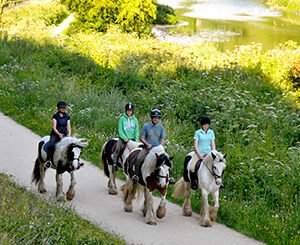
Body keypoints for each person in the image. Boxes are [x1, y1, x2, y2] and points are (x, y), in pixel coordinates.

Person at [132, 109, 175, 184]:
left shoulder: (161, 127)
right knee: (139, 158)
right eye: (154, 117)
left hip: (158, 148)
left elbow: (162, 138)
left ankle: (170, 177)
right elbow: (142, 138)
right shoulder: (146, 126)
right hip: (148, 148)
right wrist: (147, 144)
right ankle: (136, 175)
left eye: (157, 118)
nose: (156, 119)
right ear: (152, 118)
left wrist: (161, 146)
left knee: (169, 161)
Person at [190, 115, 216, 189]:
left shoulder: (211, 132)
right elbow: (195, 145)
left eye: (207, 125)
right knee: (192, 167)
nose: (205, 127)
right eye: (204, 125)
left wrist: (214, 152)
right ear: (201, 125)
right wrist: (199, 155)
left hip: (209, 153)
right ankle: (194, 182)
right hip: (200, 153)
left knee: (217, 166)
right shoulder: (198, 133)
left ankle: (218, 182)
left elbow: (213, 143)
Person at [112, 102, 139, 171]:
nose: (129, 112)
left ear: (132, 111)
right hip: (123, 139)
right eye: (128, 110)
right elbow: (120, 129)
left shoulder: (135, 120)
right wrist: (124, 138)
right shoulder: (122, 119)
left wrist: (136, 140)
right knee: (118, 148)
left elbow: (136, 130)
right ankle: (115, 163)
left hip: (132, 139)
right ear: (126, 111)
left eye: (130, 111)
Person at [45, 101, 71, 168]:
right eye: (61, 108)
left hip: (65, 135)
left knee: (72, 146)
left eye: (64, 108)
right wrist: (59, 134)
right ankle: (49, 160)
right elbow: (54, 127)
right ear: (58, 108)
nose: (63, 109)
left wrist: (69, 135)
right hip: (55, 134)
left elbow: (68, 127)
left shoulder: (67, 117)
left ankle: (72, 161)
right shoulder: (55, 116)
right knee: (51, 145)